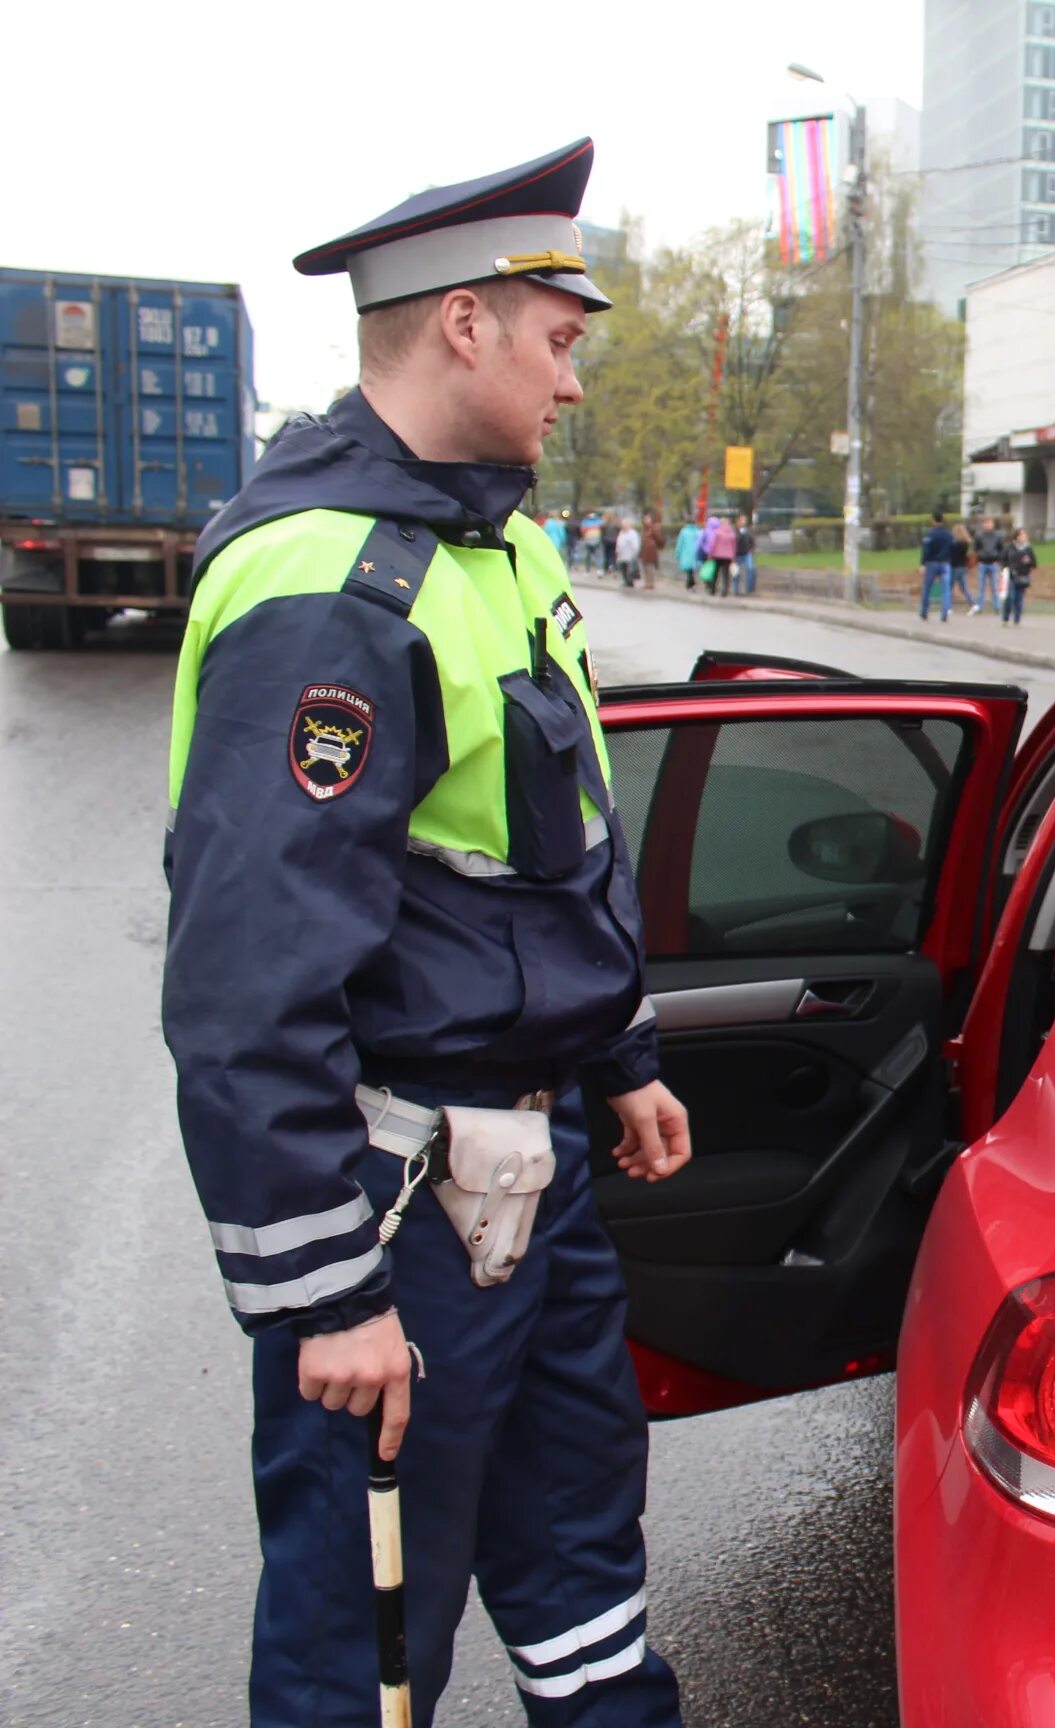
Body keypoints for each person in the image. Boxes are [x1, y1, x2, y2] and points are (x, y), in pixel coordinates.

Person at [160, 138, 689, 1726]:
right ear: (466, 323)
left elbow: (543, 849)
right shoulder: (329, 581)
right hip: (400, 1206)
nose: (573, 381)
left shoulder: (500, 545)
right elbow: (251, 978)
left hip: (541, 1182)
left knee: (584, 1565)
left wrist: (622, 1053)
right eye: (559, 339)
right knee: (365, 1641)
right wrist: (326, 1292)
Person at [919, 511, 955, 621]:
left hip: (932, 563)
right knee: (946, 589)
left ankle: (924, 611)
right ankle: (945, 613)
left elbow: (926, 550)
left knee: (927, 587)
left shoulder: (930, 534)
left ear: (933, 520)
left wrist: (922, 564)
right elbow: (952, 548)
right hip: (945, 563)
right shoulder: (949, 534)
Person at [972, 516, 1007, 615]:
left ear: (993, 524)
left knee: (995, 586)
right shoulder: (979, 536)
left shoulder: (997, 536)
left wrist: (999, 560)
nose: (988, 525)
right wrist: (977, 559)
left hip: (993, 563)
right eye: (986, 523)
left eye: (989, 523)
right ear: (983, 525)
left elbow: (1001, 549)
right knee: (981, 587)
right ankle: (980, 606)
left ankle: (997, 606)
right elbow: (976, 549)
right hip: (982, 563)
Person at [1002, 526, 1037, 625]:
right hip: (1012, 575)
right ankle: (1006, 617)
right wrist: (1007, 567)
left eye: (1024, 535)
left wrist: (1028, 561)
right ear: (1016, 536)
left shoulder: (1028, 549)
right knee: (1010, 597)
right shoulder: (1010, 547)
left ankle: (1017, 619)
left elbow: (1034, 564)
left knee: (1019, 598)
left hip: (1023, 576)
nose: (1023, 537)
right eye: (1021, 535)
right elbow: (1003, 559)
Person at [701, 509, 737, 598]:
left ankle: (713, 589)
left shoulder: (717, 532)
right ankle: (725, 591)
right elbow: (734, 546)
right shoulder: (732, 533)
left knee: (715, 573)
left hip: (717, 556)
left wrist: (710, 555)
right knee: (725, 574)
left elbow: (713, 545)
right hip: (728, 556)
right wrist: (733, 556)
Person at [947, 518, 974, 612]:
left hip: (953, 567)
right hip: (963, 567)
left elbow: (950, 555)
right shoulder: (966, 543)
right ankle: (972, 604)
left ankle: (948, 607)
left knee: (949, 588)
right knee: (964, 588)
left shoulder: (953, 543)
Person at [673, 514, 701, 595]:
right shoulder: (698, 531)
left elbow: (680, 544)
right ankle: (691, 586)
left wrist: (677, 553)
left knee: (688, 571)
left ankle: (689, 586)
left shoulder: (683, 532)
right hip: (695, 554)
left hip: (686, 554)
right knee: (692, 571)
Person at [614, 516, 641, 588]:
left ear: (628, 525)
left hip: (629, 555)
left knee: (630, 569)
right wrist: (617, 550)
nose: (623, 526)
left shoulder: (632, 533)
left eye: (625, 524)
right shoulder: (621, 533)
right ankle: (626, 581)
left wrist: (635, 553)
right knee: (623, 568)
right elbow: (618, 542)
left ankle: (630, 582)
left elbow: (635, 545)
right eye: (622, 524)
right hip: (622, 555)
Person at [733, 513, 756, 595]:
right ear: (738, 521)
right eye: (742, 520)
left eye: (744, 520)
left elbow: (752, 541)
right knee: (736, 572)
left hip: (746, 554)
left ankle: (749, 589)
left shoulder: (747, 531)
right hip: (736, 555)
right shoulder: (735, 531)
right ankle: (736, 590)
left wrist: (751, 550)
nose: (743, 522)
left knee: (751, 568)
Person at [639, 511, 662, 588]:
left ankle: (651, 583)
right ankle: (646, 582)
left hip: (651, 551)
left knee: (650, 567)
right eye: (645, 519)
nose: (647, 520)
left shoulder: (652, 528)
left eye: (648, 518)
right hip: (644, 550)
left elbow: (659, 539)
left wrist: (657, 546)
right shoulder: (643, 529)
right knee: (644, 567)